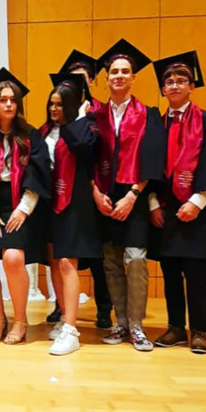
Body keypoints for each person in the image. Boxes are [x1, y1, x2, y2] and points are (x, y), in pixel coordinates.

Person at [148, 51, 206, 354]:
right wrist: (153, 203)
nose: (174, 85)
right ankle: (175, 327)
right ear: (163, 89)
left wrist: (197, 202)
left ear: (191, 86)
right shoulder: (155, 124)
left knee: (196, 273)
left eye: (180, 81)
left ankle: (198, 330)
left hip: (197, 208)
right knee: (170, 272)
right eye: (169, 82)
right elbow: (148, 166)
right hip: (165, 207)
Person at [91, 39, 165, 351]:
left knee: (135, 259)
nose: (119, 76)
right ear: (106, 78)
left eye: (125, 72)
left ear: (133, 77)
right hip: (104, 196)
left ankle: (136, 325)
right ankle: (120, 322)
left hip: (134, 196)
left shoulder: (148, 113)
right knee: (110, 262)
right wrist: (96, 192)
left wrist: (134, 194)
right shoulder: (94, 115)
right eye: (114, 72)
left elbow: (154, 158)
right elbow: (86, 158)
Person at [0, 68, 50, 345]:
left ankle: (20, 320)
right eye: (3, 100)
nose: (8, 104)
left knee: (14, 258)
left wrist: (23, 209)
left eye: (12, 100)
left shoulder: (30, 135)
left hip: (20, 203)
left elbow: (38, 175)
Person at [48, 50, 112, 329]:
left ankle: (104, 308)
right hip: (58, 197)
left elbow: (91, 152)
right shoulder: (51, 125)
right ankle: (62, 308)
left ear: (91, 80)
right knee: (60, 257)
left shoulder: (96, 114)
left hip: (88, 194)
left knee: (97, 259)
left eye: (82, 78)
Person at [41, 74, 102, 355]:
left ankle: (71, 330)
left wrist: (78, 117)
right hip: (49, 202)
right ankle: (64, 314)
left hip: (75, 203)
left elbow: (82, 148)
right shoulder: (45, 131)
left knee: (68, 262)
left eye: (60, 104)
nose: (54, 109)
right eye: (51, 104)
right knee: (54, 260)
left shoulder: (86, 128)